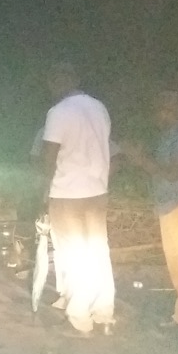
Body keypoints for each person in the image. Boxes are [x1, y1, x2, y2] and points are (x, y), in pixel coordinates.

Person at [37, 63, 115, 335]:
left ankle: (79, 315)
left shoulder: (58, 112)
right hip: (97, 190)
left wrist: (43, 191)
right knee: (98, 250)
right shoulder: (99, 107)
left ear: (58, 82)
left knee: (73, 253)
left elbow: (49, 156)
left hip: (67, 192)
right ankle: (104, 310)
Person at [121, 90, 178, 329]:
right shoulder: (170, 135)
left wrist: (140, 159)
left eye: (162, 107)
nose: (157, 113)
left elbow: (172, 173)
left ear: (174, 108)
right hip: (171, 206)